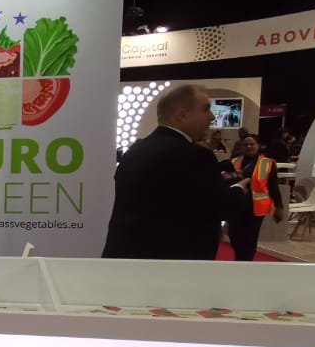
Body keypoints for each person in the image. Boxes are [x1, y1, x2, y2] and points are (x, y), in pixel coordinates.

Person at [104, 84, 243, 259]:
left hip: (127, 259)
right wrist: (239, 189)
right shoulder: (196, 156)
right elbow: (221, 207)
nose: (212, 116)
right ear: (182, 115)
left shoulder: (135, 151)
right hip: (175, 264)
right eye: (205, 109)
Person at [225, 137, 285, 261]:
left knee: (250, 238)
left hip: (255, 208)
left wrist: (279, 207)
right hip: (235, 205)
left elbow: (273, 187)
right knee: (234, 235)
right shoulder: (234, 161)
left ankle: (246, 263)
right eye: (246, 144)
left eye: (252, 144)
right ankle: (240, 259)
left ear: (258, 145)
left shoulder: (267, 163)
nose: (248, 146)